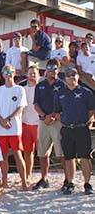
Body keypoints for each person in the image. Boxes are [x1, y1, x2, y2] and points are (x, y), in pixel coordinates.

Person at [54, 67, 95, 195]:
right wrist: (67, 121)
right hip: (67, 129)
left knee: (85, 157)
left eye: (73, 75)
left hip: (81, 128)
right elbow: (57, 112)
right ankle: (70, 183)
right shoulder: (60, 94)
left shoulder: (86, 92)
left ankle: (87, 183)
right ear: (64, 78)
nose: (71, 77)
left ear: (77, 77)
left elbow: (91, 110)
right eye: (68, 75)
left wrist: (82, 120)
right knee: (69, 158)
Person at [0, 65, 28, 190]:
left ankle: (24, 182)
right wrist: (1, 120)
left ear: (14, 72)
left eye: (10, 71)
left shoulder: (19, 89)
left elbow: (20, 108)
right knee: (3, 156)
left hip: (14, 127)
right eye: (5, 71)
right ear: (2, 74)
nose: (8, 74)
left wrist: (8, 119)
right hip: (1, 129)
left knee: (18, 154)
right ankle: (5, 182)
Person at [32, 59, 67, 190]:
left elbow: (65, 105)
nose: (51, 70)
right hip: (43, 121)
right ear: (46, 69)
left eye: (54, 67)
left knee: (61, 152)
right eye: (49, 67)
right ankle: (44, 178)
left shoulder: (63, 85)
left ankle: (67, 179)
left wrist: (53, 116)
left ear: (58, 70)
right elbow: (36, 104)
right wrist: (43, 116)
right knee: (42, 152)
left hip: (58, 122)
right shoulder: (40, 86)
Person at [22, 66, 40, 183]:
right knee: (28, 152)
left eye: (34, 73)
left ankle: (44, 177)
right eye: (30, 73)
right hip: (26, 123)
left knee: (43, 153)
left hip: (39, 123)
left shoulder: (42, 88)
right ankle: (28, 175)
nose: (32, 75)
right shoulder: (22, 89)